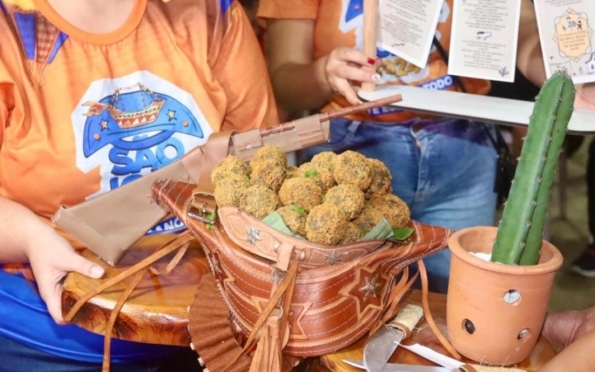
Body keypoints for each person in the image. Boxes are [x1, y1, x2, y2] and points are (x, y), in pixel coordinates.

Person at [0, 0, 277, 370]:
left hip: (211, 324)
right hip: (53, 336)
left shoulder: (211, 11)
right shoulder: (11, 30)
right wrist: (30, 237)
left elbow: (262, 167)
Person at [257, 0, 541, 293]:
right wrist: (323, 74)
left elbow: (522, 26)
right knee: (348, 304)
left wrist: (567, 68)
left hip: (463, 150)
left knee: (452, 305)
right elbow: (284, 82)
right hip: (351, 157)